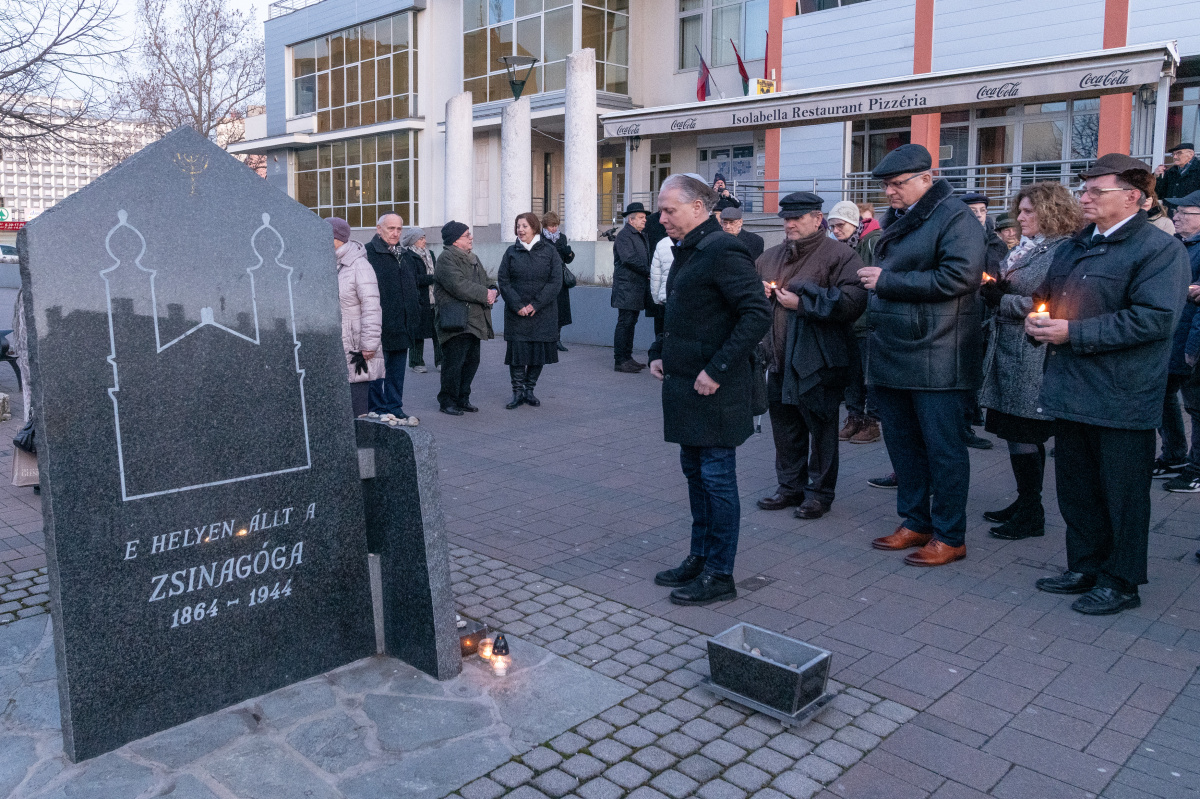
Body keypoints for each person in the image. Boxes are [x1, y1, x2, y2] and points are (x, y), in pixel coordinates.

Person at [1027, 153, 1188, 615]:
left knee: (1122, 494)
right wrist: (1038, 319)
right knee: (1076, 488)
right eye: (1085, 190)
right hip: (1071, 387)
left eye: (1098, 190)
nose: (1086, 197)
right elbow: (1050, 298)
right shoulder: (1075, 245)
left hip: (1123, 393)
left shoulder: (1159, 250)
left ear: (1133, 196)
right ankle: (1085, 565)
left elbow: (1155, 320)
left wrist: (1073, 333)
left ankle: (1121, 580)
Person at [857, 143, 986, 568]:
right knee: (904, 445)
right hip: (898, 347)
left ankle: (950, 535)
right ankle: (916, 521)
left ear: (926, 179)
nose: (889, 193)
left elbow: (960, 277)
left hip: (938, 351)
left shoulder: (955, 217)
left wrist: (888, 281)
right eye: (886, 185)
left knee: (944, 450)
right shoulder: (903, 217)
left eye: (897, 184)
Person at [648, 174, 771, 605]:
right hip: (686, 388)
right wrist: (659, 350)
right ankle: (699, 558)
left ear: (699, 207)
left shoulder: (722, 249)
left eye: (669, 210)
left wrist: (717, 369)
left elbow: (756, 314)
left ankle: (721, 574)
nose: (660, 218)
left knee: (717, 480)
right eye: (660, 210)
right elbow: (684, 312)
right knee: (697, 477)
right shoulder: (689, 248)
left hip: (715, 391)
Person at [978, 183, 1083, 540]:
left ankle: (1031, 512)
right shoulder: (1030, 246)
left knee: (1024, 432)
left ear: (1051, 212)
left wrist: (999, 300)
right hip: (1009, 350)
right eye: (1019, 211)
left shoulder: (1062, 249)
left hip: (1032, 353)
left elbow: (1052, 304)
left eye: (1028, 212)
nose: (1020, 218)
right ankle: (1025, 501)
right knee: (1012, 431)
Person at [755, 192, 867, 519]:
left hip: (817, 362)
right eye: (785, 218)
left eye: (797, 218)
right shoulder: (769, 257)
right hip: (776, 360)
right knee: (785, 428)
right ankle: (789, 487)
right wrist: (759, 294)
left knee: (820, 430)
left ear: (817, 219)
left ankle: (819, 493)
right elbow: (746, 300)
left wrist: (802, 304)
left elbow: (853, 301)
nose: (789, 223)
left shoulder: (840, 255)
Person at [1156, 189, 1200, 492]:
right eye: (1177, 211)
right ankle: (1174, 455)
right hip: (1172, 337)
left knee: (1196, 407)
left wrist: (1193, 348)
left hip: (1191, 342)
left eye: (1185, 212)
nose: (1176, 216)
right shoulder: (1179, 245)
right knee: (1162, 395)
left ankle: (1196, 469)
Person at [828, 200, 882, 445]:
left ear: (852, 223)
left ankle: (872, 421)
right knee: (852, 375)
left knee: (869, 374)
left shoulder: (871, 241)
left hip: (868, 320)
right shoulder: (840, 247)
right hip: (848, 319)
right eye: (832, 227)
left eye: (840, 225)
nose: (836, 231)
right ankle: (853, 417)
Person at [498, 213, 563, 409]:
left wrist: (535, 304)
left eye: (524, 226)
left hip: (542, 312)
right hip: (517, 313)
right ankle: (517, 393)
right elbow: (504, 281)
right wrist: (518, 306)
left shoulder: (550, 251)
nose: (520, 230)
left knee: (538, 353)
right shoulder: (511, 252)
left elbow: (555, 281)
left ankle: (529, 390)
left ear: (534, 227)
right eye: (518, 226)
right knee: (518, 354)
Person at [959, 192, 1006, 450]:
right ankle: (964, 424)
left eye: (982, 210)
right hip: (960, 313)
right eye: (972, 210)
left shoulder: (994, 243)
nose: (978, 215)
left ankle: (969, 420)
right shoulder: (955, 238)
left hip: (984, 313)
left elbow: (991, 274)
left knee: (974, 369)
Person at [435, 221, 498, 415]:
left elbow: (486, 280)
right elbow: (458, 285)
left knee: (471, 361)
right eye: (467, 235)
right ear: (455, 241)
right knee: (454, 363)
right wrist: (485, 294)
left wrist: (494, 290)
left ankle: (463, 398)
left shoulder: (473, 257)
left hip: (474, 319)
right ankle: (447, 401)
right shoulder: (446, 258)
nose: (471, 238)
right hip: (456, 320)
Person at [365, 213, 422, 419]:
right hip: (379, 325)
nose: (396, 233)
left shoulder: (404, 255)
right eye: (391, 228)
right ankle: (377, 408)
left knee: (397, 372)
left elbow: (412, 286)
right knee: (377, 372)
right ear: (378, 229)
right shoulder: (368, 253)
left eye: (399, 229)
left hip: (403, 324)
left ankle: (394, 407)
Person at [331, 217, 386, 417]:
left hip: (356, 345)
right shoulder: (329, 263)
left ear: (336, 238)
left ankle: (361, 444)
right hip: (335, 343)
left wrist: (369, 344)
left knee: (357, 400)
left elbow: (371, 306)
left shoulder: (358, 265)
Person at [612, 202, 651, 373]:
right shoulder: (624, 236)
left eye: (644, 218)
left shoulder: (639, 235)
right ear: (631, 219)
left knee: (630, 323)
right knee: (625, 323)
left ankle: (627, 357)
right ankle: (620, 360)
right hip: (626, 287)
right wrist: (648, 271)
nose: (645, 221)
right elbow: (628, 259)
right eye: (641, 218)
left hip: (635, 287)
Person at [399, 228, 441, 374]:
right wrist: (434, 278)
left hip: (434, 299)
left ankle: (441, 361)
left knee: (438, 332)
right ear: (413, 241)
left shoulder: (431, 254)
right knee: (417, 333)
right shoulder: (407, 256)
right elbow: (412, 279)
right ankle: (416, 362)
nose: (425, 241)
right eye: (421, 238)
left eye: (424, 237)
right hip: (418, 299)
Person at [541, 212, 575, 352]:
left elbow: (568, 260)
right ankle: (545, 340)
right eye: (551, 226)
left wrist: (568, 253)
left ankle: (557, 339)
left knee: (560, 310)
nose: (554, 229)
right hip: (546, 279)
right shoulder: (540, 239)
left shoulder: (562, 238)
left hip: (560, 279)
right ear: (545, 226)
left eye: (555, 226)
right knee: (546, 309)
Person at [1155, 143, 1200, 209]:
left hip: (1191, 214)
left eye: (1179, 153)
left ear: (1190, 154)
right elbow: (1159, 194)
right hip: (1170, 213)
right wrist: (1157, 176)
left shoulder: (1198, 169)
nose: (1174, 157)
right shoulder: (1171, 172)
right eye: (1173, 154)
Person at [649, 232, 675, 336]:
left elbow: (655, 276)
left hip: (664, 297)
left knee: (661, 333)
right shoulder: (692, 242)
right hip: (684, 299)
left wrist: (656, 297)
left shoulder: (661, 244)